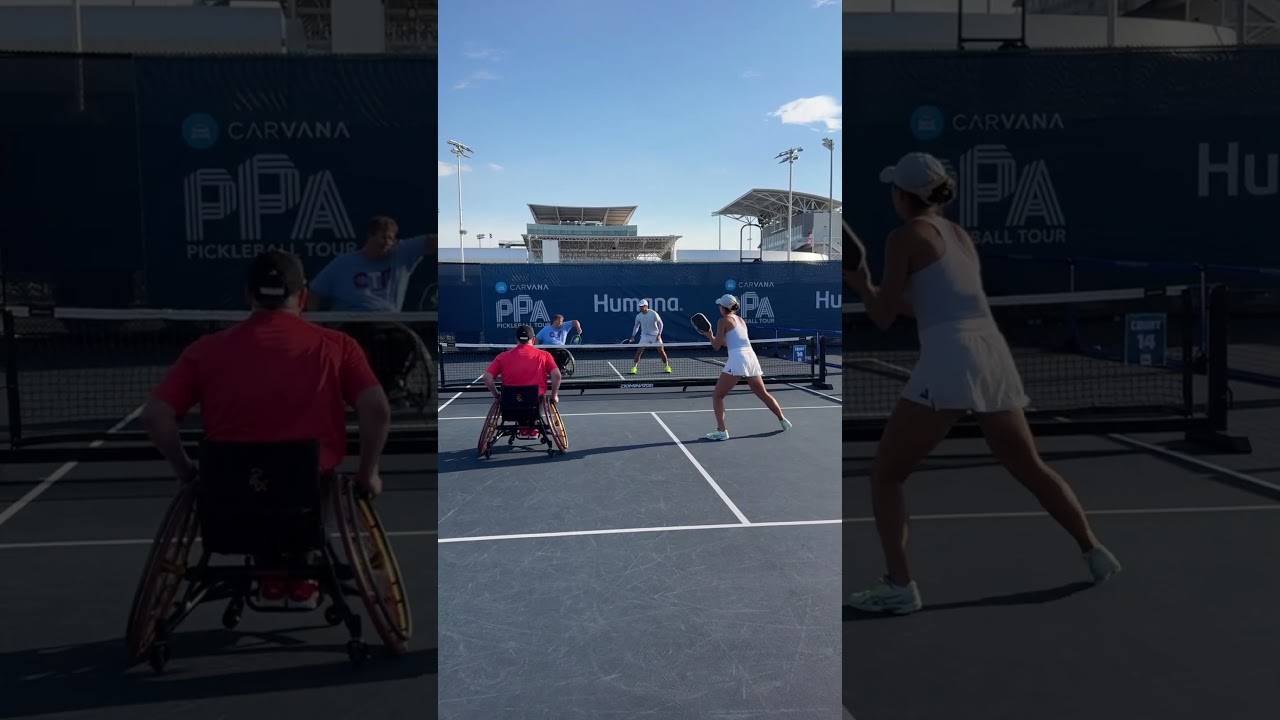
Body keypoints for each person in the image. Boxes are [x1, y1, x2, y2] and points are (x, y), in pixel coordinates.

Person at [844, 151, 1122, 615]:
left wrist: (860, 282)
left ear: (902, 196)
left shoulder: (904, 237)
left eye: (894, 189)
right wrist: (874, 289)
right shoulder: (958, 236)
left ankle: (900, 585)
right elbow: (934, 306)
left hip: (951, 359)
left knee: (887, 475)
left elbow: (882, 316)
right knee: (1030, 466)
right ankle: (1094, 550)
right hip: (992, 353)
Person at [141, 250, 392, 610]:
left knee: (251, 492)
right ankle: (299, 576)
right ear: (302, 296)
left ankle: (271, 574)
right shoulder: (338, 346)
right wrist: (369, 473)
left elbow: (155, 416)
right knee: (305, 489)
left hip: (226, 497)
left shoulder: (205, 350)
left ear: (249, 294)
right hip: (306, 493)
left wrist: (186, 472)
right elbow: (377, 409)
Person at [308, 216, 436, 405]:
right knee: (373, 344)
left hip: (390, 325)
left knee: (401, 343)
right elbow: (314, 291)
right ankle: (370, 393)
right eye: (383, 237)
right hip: (352, 324)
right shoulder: (343, 264)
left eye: (391, 238)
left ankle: (386, 391)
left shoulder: (402, 253)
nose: (387, 243)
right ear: (370, 237)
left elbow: (432, 242)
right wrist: (315, 325)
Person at [699, 294, 793, 441]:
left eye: (720, 306)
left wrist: (709, 335)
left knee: (717, 396)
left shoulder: (723, 321)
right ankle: (783, 419)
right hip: (751, 357)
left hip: (738, 359)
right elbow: (731, 343)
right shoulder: (741, 320)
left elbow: (716, 346)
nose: (719, 308)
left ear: (723, 308)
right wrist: (714, 337)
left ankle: (722, 431)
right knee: (763, 393)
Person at [482, 325, 564, 440]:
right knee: (535, 399)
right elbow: (557, 375)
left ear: (516, 339)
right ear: (533, 339)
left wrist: (496, 395)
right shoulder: (544, 355)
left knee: (517, 401)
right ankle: (531, 428)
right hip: (534, 402)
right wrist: (554, 395)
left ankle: (523, 427)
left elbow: (487, 377)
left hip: (509, 403)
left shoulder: (502, 357)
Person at [626, 299, 672, 374]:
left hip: (655, 335)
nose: (641, 308)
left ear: (646, 306)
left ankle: (667, 366)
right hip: (645, 336)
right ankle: (634, 367)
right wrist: (633, 336)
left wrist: (659, 334)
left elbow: (661, 324)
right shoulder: (638, 316)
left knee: (661, 351)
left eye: (642, 306)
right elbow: (636, 326)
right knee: (639, 351)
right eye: (640, 307)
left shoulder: (653, 314)